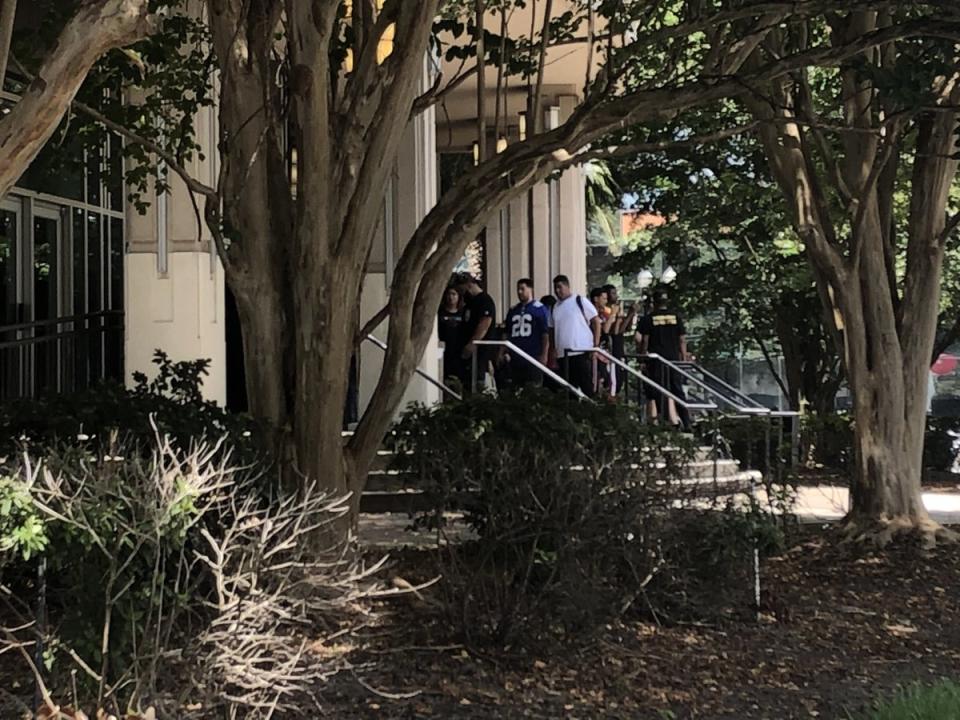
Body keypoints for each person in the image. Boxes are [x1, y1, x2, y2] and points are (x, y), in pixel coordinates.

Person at [635, 287, 691, 429]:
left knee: (659, 390)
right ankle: (687, 422)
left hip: (656, 360)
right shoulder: (676, 317)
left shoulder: (648, 319)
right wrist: (683, 358)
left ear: (654, 302)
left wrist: (642, 358)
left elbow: (645, 340)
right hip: (673, 360)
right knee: (677, 390)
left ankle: (666, 421)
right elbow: (682, 339)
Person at [549, 274, 602, 396]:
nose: (557, 291)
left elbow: (596, 322)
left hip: (580, 351)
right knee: (569, 388)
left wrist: (596, 346)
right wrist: (552, 350)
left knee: (586, 385)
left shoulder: (580, 301)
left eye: (560, 287)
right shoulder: (555, 307)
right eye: (555, 288)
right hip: (563, 354)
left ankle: (592, 409)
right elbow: (552, 329)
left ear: (567, 286)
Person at [500, 278, 550, 388]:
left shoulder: (539, 309)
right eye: (518, 289)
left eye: (522, 289)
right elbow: (506, 332)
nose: (519, 292)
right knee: (514, 387)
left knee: (532, 388)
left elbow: (545, 334)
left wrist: (544, 354)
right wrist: (502, 350)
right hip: (515, 357)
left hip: (533, 356)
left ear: (530, 289)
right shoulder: (513, 310)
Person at [454, 272, 497, 392]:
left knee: (477, 382)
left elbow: (485, 323)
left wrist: (473, 343)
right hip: (467, 351)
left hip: (480, 352)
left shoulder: (485, 301)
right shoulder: (469, 302)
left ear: (468, 285)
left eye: (461, 290)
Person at [437, 286, 465, 385]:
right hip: (444, 349)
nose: (451, 297)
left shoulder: (463, 313)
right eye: (449, 294)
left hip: (458, 349)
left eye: (454, 294)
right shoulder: (440, 312)